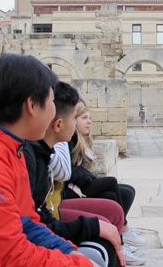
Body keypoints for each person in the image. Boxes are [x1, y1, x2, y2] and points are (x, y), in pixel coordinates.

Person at [0, 54, 96, 266]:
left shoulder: (12, 146)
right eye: (51, 101)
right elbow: (6, 257)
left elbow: (26, 221)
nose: (55, 112)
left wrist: (68, 251)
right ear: (31, 106)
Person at [23, 82, 125, 267]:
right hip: (42, 228)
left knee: (111, 206)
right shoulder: (31, 155)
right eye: (75, 119)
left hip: (45, 221)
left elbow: (37, 216)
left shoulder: (37, 152)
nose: (78, 124)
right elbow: (32, 223)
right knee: (102, 244)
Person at [53, 101, 146, 265]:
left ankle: (120, 237)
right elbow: (67, 172)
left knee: (121, 192)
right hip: (72, 189)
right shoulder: (66, 140)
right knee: (111, 183)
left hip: (80, 184)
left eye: (89, 118)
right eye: (83, 118)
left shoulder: (80, 140)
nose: (89, 121)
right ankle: (123, 233)